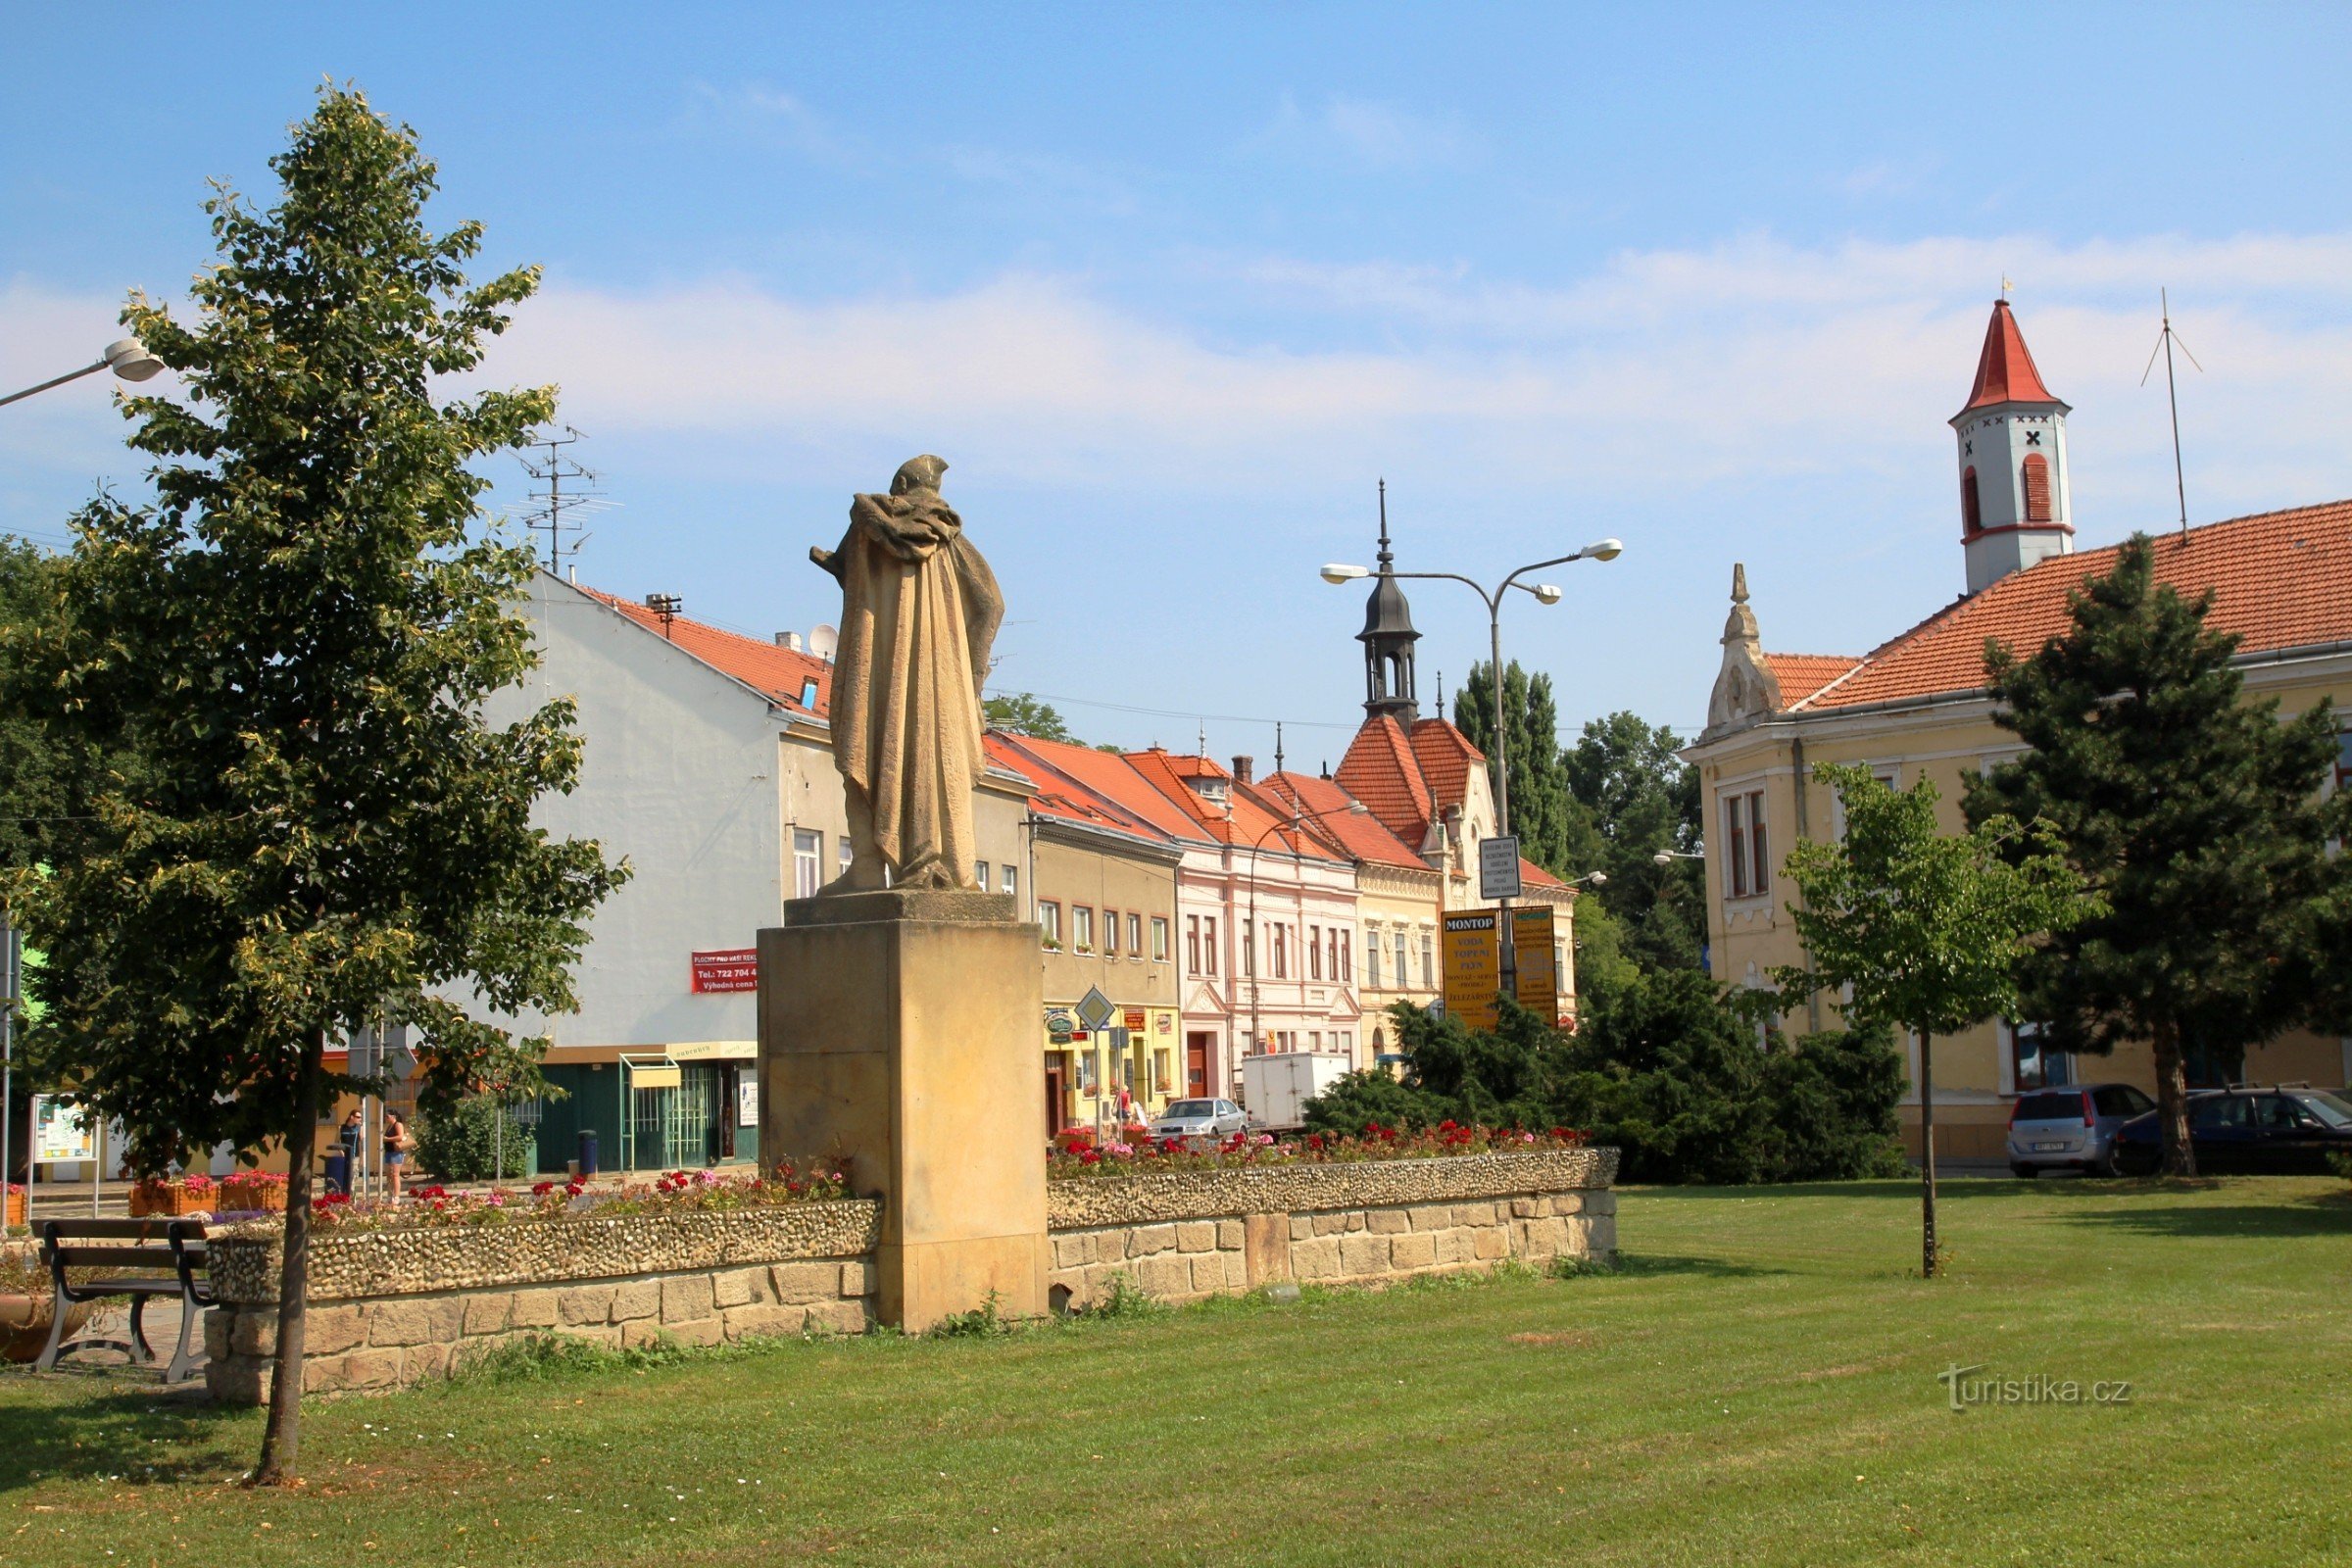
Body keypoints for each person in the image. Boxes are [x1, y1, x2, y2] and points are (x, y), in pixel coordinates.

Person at [382, 1109, 413, 1200]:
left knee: (395, 1175)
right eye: (385, 1117)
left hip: (396, 1153)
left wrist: (387, 1139)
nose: (386, 1118)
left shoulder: (398, 1124)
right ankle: (390, 1195)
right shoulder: (389, 1126)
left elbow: (400, 1136)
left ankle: (396, 1196)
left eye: (387, 1116)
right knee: (389, 1175)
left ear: (393, 1116)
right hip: (388, 1152)